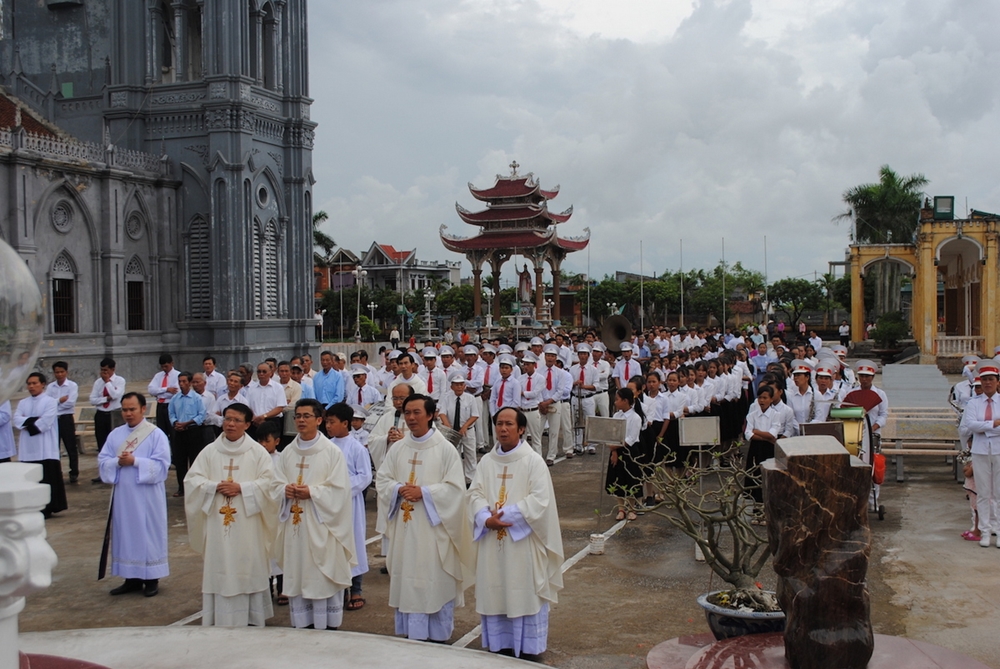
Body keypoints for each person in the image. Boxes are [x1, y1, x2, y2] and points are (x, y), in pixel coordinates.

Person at [468, 407, 564, 659]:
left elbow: (540, 501)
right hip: (492, 540)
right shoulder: (487, 461)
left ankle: (529, 649)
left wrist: (505, 517)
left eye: (509, 424)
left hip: (523, 544)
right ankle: (500, 643)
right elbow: (474, 494)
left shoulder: (533, 461)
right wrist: (485, 518)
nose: (502, 429)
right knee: (496, 589)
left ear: (521, 429)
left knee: (522, 589)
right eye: (499, 424)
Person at [376, 394, 471, 642]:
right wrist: (398, 489)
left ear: (430, 415)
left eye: (417, 412)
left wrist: (425, 492)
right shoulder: (398, 448)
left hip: (433, 533)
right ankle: (412, 632)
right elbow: (383, 480)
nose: (411, 418)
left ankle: (438, 635)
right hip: (405, 531)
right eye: (407, 413)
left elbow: (456, 490)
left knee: (433, 580)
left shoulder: (445, 450)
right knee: (408, 579)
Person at [184, 402, 278, 626]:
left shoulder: (258, 453)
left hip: (248, 523)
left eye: (237, 420)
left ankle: (252, 616)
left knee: (247, 563)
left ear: (247, 424)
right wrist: (214, 486)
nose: (230, 424)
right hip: (218, 523)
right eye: (227, 418)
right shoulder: (209, 452)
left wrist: (242, 488)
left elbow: (270, 486)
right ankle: (220, 616)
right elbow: (192, 481)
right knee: (221, 564)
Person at [273, 399, 356, 630]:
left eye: (306, 416)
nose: (300, 420)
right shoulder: (288, 452)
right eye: (297, 416)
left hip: (323, 527)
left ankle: (327, 624)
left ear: (319, 420)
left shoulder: (331, 453)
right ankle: (303, 623)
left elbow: (340, 490)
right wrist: (284, 490)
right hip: (295, 527)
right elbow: (274, 484)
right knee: (299, 573)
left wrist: (313, 492)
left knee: (322, 576)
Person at [98, 392, 171, 597]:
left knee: (147, 533)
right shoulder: (115, 435)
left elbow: (162, 466)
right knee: (126, 533)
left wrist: (136, 462)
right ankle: (131, 578)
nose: (128, 414)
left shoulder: (155, 434)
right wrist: (116, 462)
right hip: (124, 495)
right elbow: (103, 461)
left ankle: (151, 579)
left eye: (132, 409)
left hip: (147, 496)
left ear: (143, 409)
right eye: (124, 409)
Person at [324, 403, 372, 612]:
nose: (328, 426)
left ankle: (356, 589)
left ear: (346, 423)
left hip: (349, 503)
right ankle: (337, 588)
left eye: (332, 422)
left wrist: (341, 488)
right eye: (326, 422)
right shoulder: (326, 446)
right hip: (329, 504)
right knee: (333, 543)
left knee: (352, 543)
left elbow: (365, 476)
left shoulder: (356, 448)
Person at [13, 373, 68, 518]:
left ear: (43, 384)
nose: (31, 386)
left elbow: (46, 422)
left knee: (47, 476)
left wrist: (28, 423)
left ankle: (48, 507)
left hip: (45, 446)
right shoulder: (23, 403)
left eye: (34, 383)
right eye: (29, 383)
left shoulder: (50, 401)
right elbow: (17, 419)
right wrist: (33, 420)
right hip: (28, 447)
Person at [960, 360, 1000, 548]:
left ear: (997, 381)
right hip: (980, 451)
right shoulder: (974, 403)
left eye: (991, 379)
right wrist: (994, 424)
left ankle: (998, 531)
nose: (987, 383)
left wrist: (983, 428)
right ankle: (984, 531)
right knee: (983, 493)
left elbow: (978, 426)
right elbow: (971, 425)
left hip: (998, 450)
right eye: (984, 380)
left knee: (998, 492)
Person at [168, 371, 207, 497]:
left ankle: (195, 487)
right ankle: (182, 487)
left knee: (194, 460)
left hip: (193, 431)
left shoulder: (197, 398)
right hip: (179, 432)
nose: (182, 384)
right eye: (180, 381)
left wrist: (187, 423)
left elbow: (201, 415)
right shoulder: (175, 398)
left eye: (184, 381)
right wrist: (176, 423)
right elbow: (171, 413)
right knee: (180, 461)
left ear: (190, 383)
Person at [89, 358, 127, 483]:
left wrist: (108, 383)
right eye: (102, 370)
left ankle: (116, 470)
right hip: (101, 414)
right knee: (101, 443)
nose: (103, 373)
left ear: (112, 369)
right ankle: (103, 473)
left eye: (106, 370)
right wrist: (105, 399)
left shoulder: (119, 381)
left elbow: (116, 396)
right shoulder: (97, 383)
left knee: (115, 443)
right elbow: (93, 399)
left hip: (114, 414)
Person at [607, 388, 643, 521]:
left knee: (631, 479)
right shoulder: (617, 416)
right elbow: (613, 434)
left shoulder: (635, 417)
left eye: (617, 399)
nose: (615, 402)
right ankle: (621, 508)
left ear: (625, 401)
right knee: (618, 479)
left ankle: (632, 508)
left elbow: (631, 439)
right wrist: (614, 451)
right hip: (616, 450)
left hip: (630, 451)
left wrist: (615, 446)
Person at [438, 373, 480, 485]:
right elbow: (442, 413)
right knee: (454, 455)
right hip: (453, 431)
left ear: (465, 386)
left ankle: (470, 480)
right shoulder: (447, 398)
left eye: (461, 384)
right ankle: (457, 478)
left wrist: (465, 427)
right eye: (456, 385)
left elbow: (475, 415)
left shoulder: (470, 398)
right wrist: (449, 427)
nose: (459, 387)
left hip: (467, 431)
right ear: (451, 386)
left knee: (470, 454)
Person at [46, 360, 80, 483]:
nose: (59, 374)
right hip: (54, 419)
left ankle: (74, 472)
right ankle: (56, 471)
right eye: (57, 372)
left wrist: (55, 403)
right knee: (54, 446)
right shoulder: (50, 387)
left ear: (66, 372)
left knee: (70, 446)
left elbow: (71, 403)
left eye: (62, 372)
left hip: (66, 418)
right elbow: (47, 404)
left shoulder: (72, 386)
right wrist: (60, 400)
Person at [245, 362, 287, 441]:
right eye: (259, 371)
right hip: (254, 422)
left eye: (264, 371)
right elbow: (247, 406)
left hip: (272, 421)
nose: (261, 374)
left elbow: (280, 407)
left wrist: (263, 417)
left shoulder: (278, 388)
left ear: (270, 373)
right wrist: (254, 418)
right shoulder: (251, 388)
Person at [148, 354, 180, 441]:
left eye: (166, 366)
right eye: (162, 367)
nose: (164, 369)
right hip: (160, 405)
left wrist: (159, 392)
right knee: (161, 431)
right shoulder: (158, 376)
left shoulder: (178, 375)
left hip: (171, 405)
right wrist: (166, 389)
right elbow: (151, 390)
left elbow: (176, 392)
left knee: (173, 431)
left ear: (172, 363)